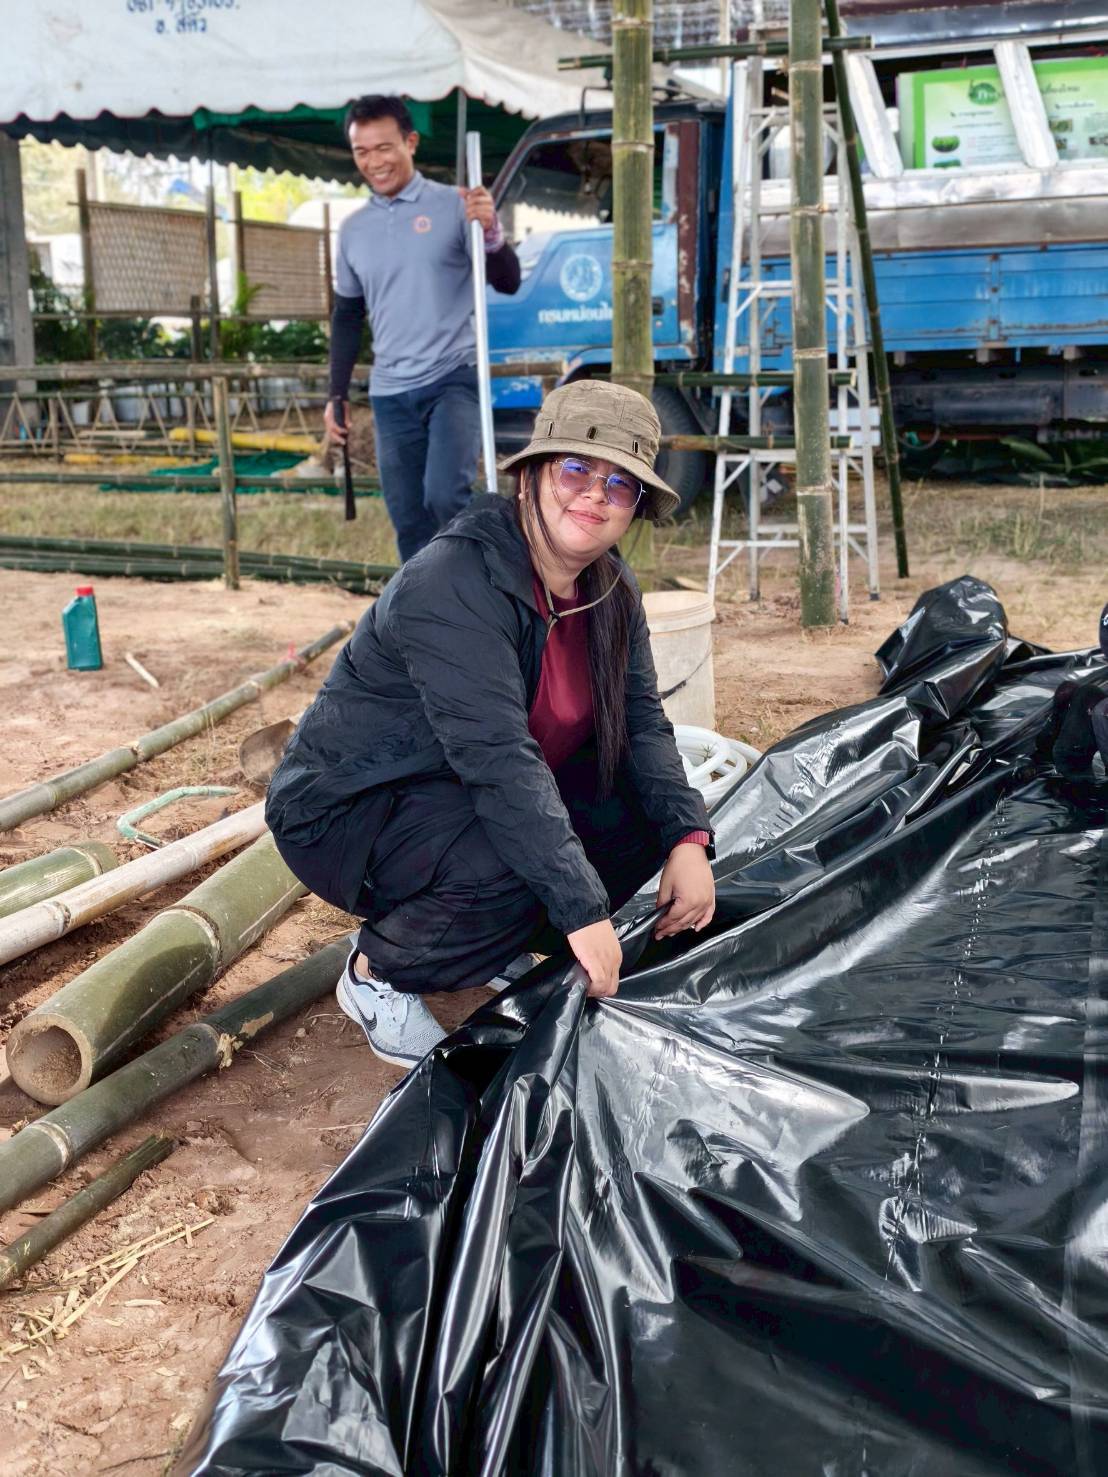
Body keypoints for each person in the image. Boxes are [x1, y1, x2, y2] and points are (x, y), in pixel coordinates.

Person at [267, 381, 716, 1068]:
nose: (595, 496)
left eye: (620, 484)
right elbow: (498, 759)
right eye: (576, 469)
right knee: (509, 858)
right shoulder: (453, 580)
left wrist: (686, 838)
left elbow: (643, 723)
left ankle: (488, 941)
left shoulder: (610, 589)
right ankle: (376, 972)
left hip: (462, 793)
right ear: (530, 476)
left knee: (633, 818)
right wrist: (582, 912)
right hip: (353, 808)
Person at [325, 95, 521, 562]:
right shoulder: (353, 230)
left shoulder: (455, 205)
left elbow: (508, 281)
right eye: (361, 151)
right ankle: (425, 602)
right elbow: (347, 315)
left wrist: (491, 233)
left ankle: (490, 575)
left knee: (445, 495)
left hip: (453, 377)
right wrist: (336, 395)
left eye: (384, 147)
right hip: (390, 393)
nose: (374, 162)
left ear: (410, 142)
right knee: (409, 518)